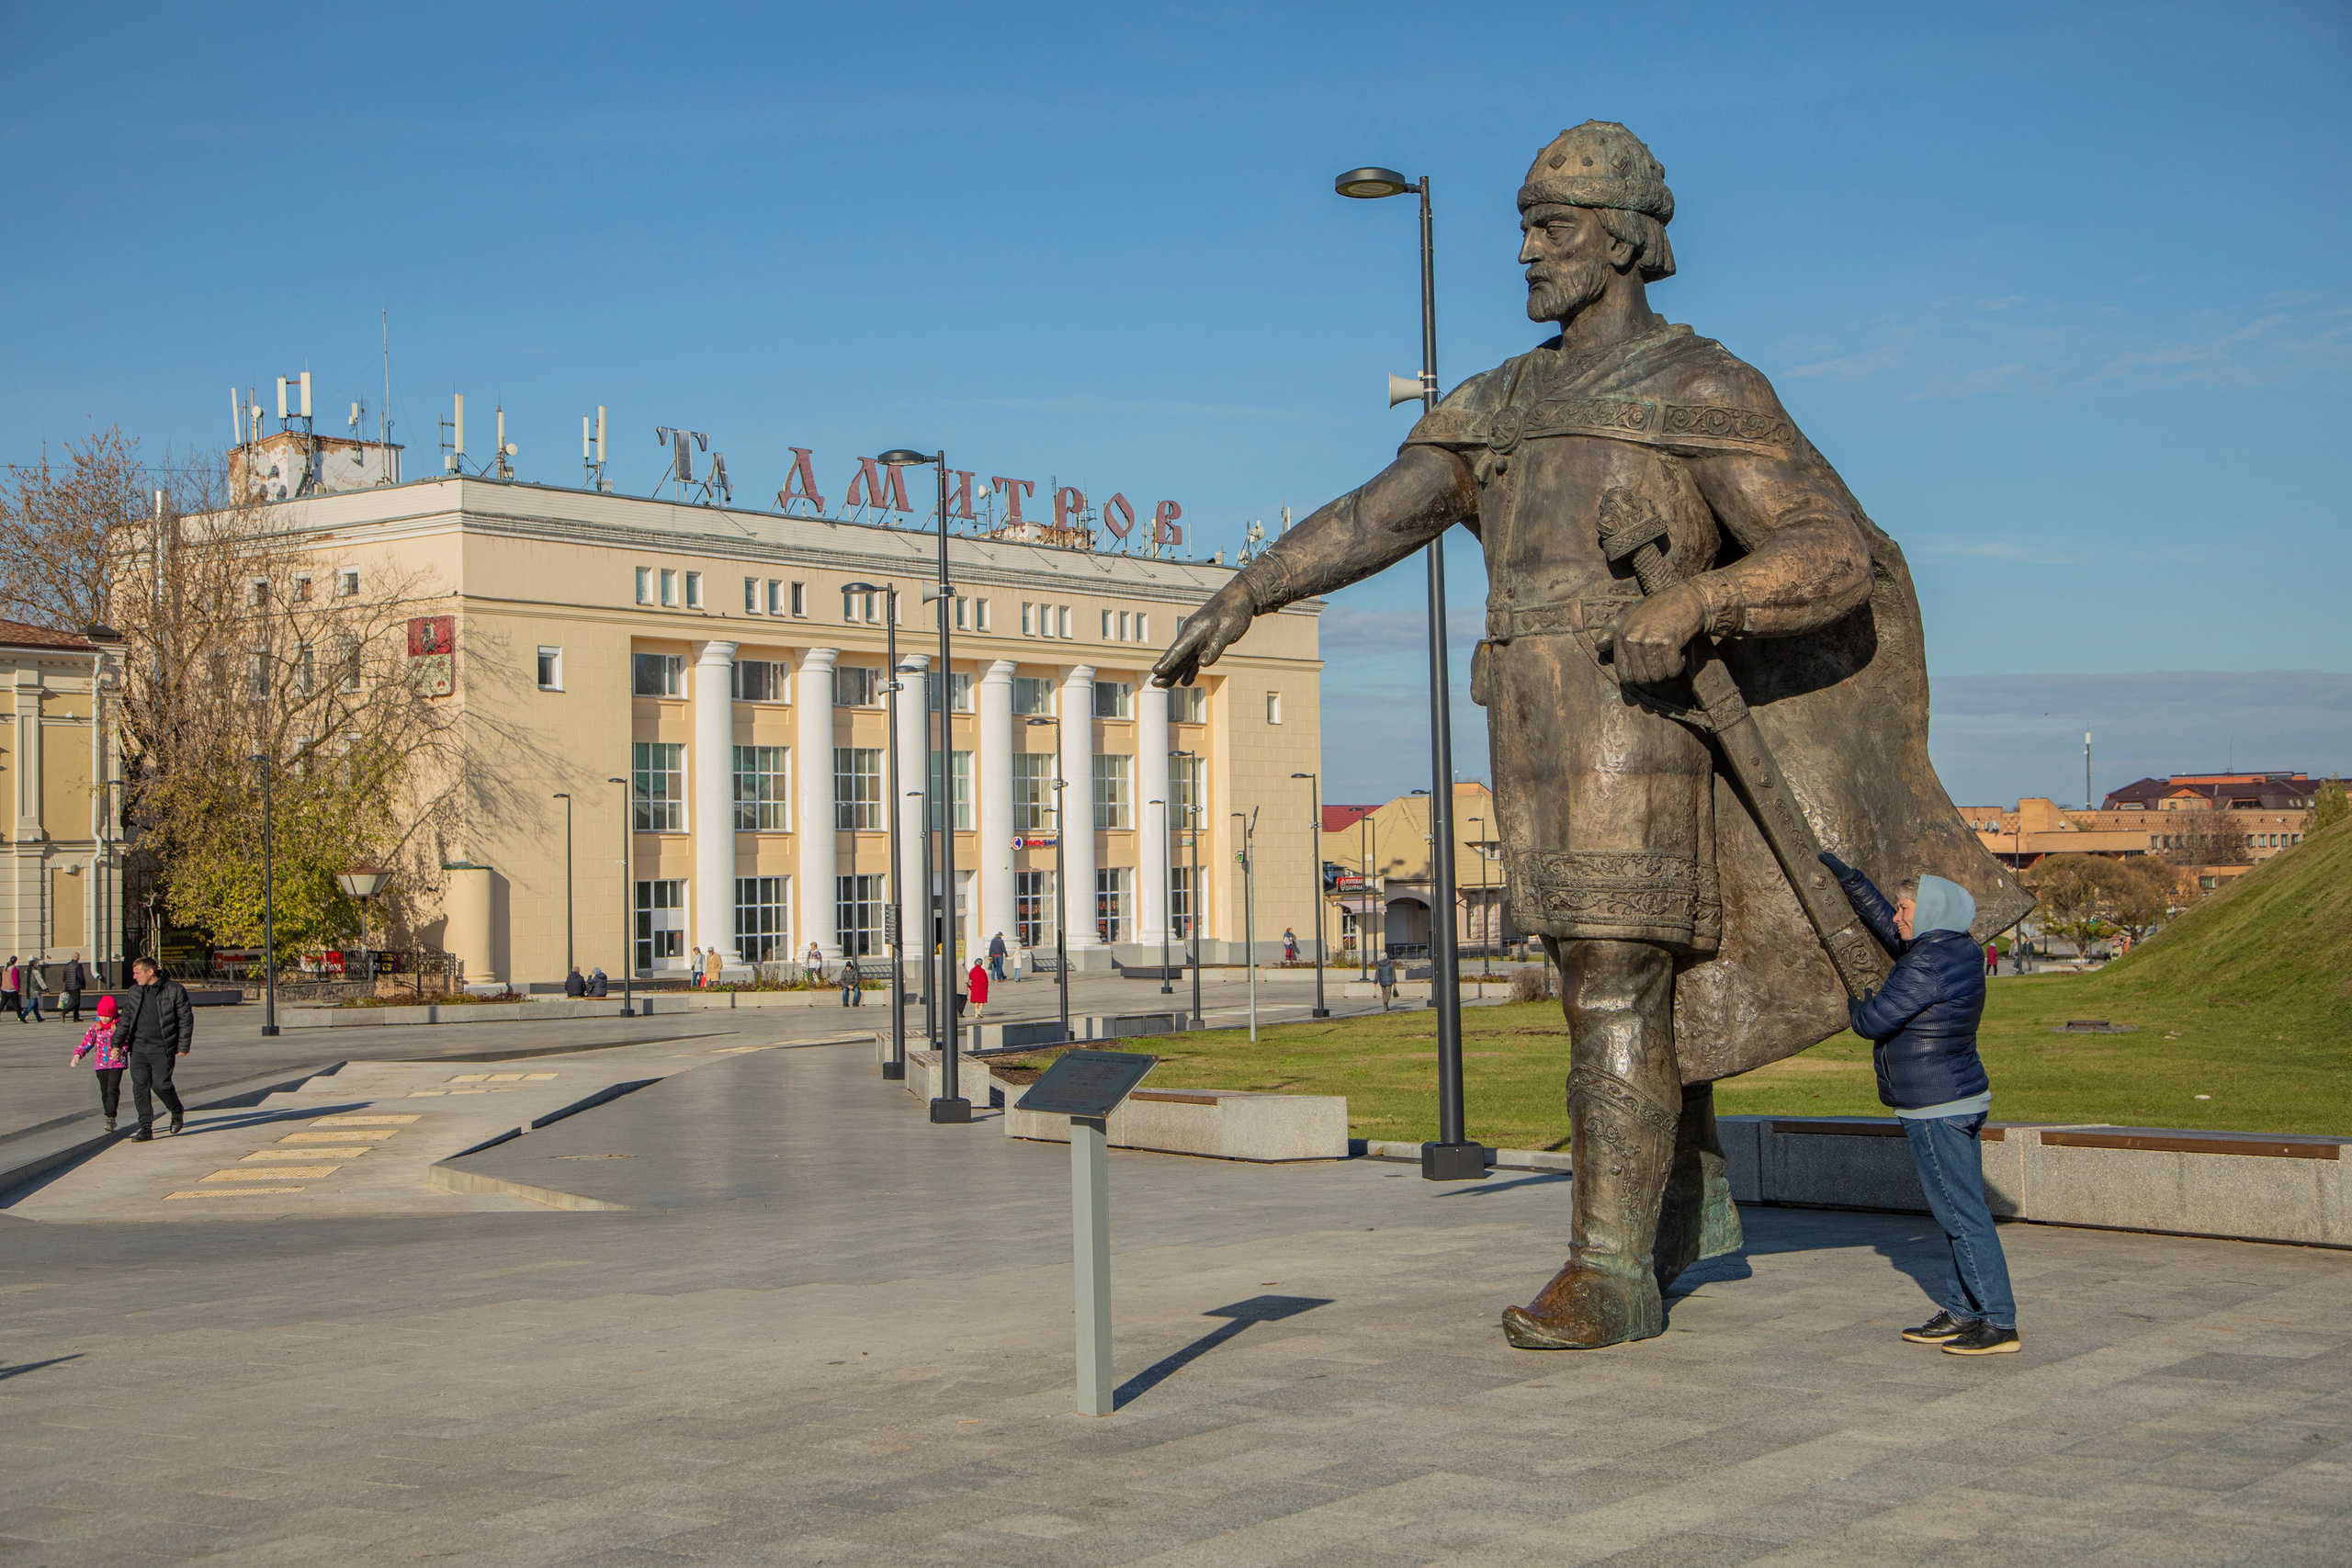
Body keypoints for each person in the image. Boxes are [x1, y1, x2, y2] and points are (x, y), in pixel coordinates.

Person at [1151, 120, 2025, 1352]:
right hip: (1530, 721)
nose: (1526, 253)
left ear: (1621, 240)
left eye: (1550, 228)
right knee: (1591, 979)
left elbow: (1829, 548)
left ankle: (1610, 1268)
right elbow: (1376, 513)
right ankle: (1689, 1206)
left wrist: (1698, 600)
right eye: (1523, 225)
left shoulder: (1705, 386)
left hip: (1640, 720)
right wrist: (1248, 589)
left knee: (1617, 966)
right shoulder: (1503, 400)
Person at [1821, 852, 2018, 1356]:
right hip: (1958, 1094)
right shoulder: (1953, 950)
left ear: (1930, 913)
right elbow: (1896, 937)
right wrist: (1854, 882)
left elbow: (1873, 1022)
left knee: (1961, 1216)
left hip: (1935, 1104)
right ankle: (1963, 1310)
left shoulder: (1928, 964)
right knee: (1962, 1210)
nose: (1898, 916)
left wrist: (1856, 1004)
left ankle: (1997, 1321)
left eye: (1906, 908)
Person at [119, 957, 194, 1141]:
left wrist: (183, 1045)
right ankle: (145, 1128)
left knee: (161, 1084)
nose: (134, 977)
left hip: (162, 1048)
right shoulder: (134, 991)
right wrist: (116, 1043)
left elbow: (185, 1019)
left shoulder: (174, 990)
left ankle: (176, 1110)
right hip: (138, 1048)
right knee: (140, 1088)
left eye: (137, 973)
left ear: (149, 972)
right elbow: (126, 1018)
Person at [70, 994, 129, 1132]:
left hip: (116, 1063)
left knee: (112, 1088)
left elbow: (126, 1042)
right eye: (101, 1015)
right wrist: (78, 1054)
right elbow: (87, 1042)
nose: (104, 1018)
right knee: (104, 1090)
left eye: (106, 1016)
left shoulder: (119, 1026)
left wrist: (120, 1051)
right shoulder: (95, 1027)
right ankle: (108, 1113)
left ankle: (111, 1116)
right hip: (100, 1064)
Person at [59, 952, 85, 1021]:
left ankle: (76, 1017)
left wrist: (65, 986)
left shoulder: (67, 965)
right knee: (75, 1002)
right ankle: (64, 1012)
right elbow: (80, 976)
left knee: (76, 1001)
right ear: (78, 958)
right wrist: (83, 984)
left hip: (68, 986)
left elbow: (64, 977)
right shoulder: (78, 965)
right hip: (75, 986)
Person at [22, 954, 45, 1021]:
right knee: (33, 1003)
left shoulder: (26, 970)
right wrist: (45, 988)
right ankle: (23, 1016)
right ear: (34, 963)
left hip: (29, 989)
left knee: (35, 1004)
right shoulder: (35, 971)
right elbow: (40, 980)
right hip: (34, 989)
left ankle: (39, 1018)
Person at [967, 957, 989, 1024]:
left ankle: (976, 1013)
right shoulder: (982, 971)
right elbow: (985, 980)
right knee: (982, 1000)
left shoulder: (972, 970)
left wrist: (971, 987)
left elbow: (969, 979)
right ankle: (980, 1012)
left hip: (975, 988)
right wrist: (986, 986)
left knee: (975, 1001)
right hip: (982, 987)